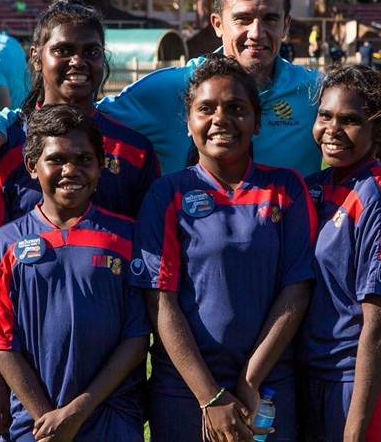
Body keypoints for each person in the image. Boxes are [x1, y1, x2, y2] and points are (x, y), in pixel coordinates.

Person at [0, 0, 159, 442]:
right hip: (27, 378)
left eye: (90, 51)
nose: (78, 62)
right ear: (38, 56)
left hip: (112, 385)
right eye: (64, 49)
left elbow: (144, 275)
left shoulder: (135, 150)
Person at [0, 0, 323, 177]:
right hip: (193, 272)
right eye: (243, 19)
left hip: (289, 271)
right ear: (217, 24)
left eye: (270, 20)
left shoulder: (314, 92)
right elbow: (77, 114)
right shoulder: (169, 88)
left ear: (286, 25)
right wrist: (4, 119)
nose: (256, 34)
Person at [130, 54, 316, 442]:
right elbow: (159, 302)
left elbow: (296, 289)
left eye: (236, 108)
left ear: (258, 120)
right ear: (188, 122)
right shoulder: (166, 194)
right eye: (206, 109)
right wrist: (209, 396)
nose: (221, 119)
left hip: (267, 383)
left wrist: (250, 379)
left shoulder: (287, 188)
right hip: (185, 389)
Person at [0, 104, 149, 442]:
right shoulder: (6, 244)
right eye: (56, 159)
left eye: (84, 159)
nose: (70, 170)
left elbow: (137, 338)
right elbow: (2, 343)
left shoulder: (127, 238)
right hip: (33, 423)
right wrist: (48, 418)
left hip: (109, 416)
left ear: (102, 166)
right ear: (32, 166)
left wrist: (76, 412)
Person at [297, 65, 381, 442]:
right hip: (312, 373)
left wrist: (356, 429)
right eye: (325, 116)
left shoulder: (378, 199)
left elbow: (378, 325)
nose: (332, 129)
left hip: (358, 383)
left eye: (349, 120)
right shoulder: (316, 186)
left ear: (379, 130)